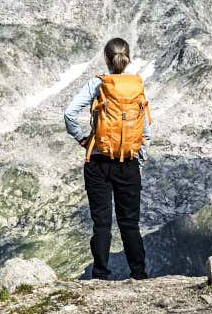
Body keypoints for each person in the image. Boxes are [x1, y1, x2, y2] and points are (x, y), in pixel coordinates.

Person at [62, 37, 150, 280]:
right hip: (128, 162)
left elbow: (69, 114)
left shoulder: (98, 84)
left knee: (101, 223)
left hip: (98, 163)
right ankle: (139, 274)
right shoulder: (137, 86)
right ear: (128, 57)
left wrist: (83, 139)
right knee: (130, 223)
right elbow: (145, 131)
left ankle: (100, 274)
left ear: (106, 58)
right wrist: (138, 161)